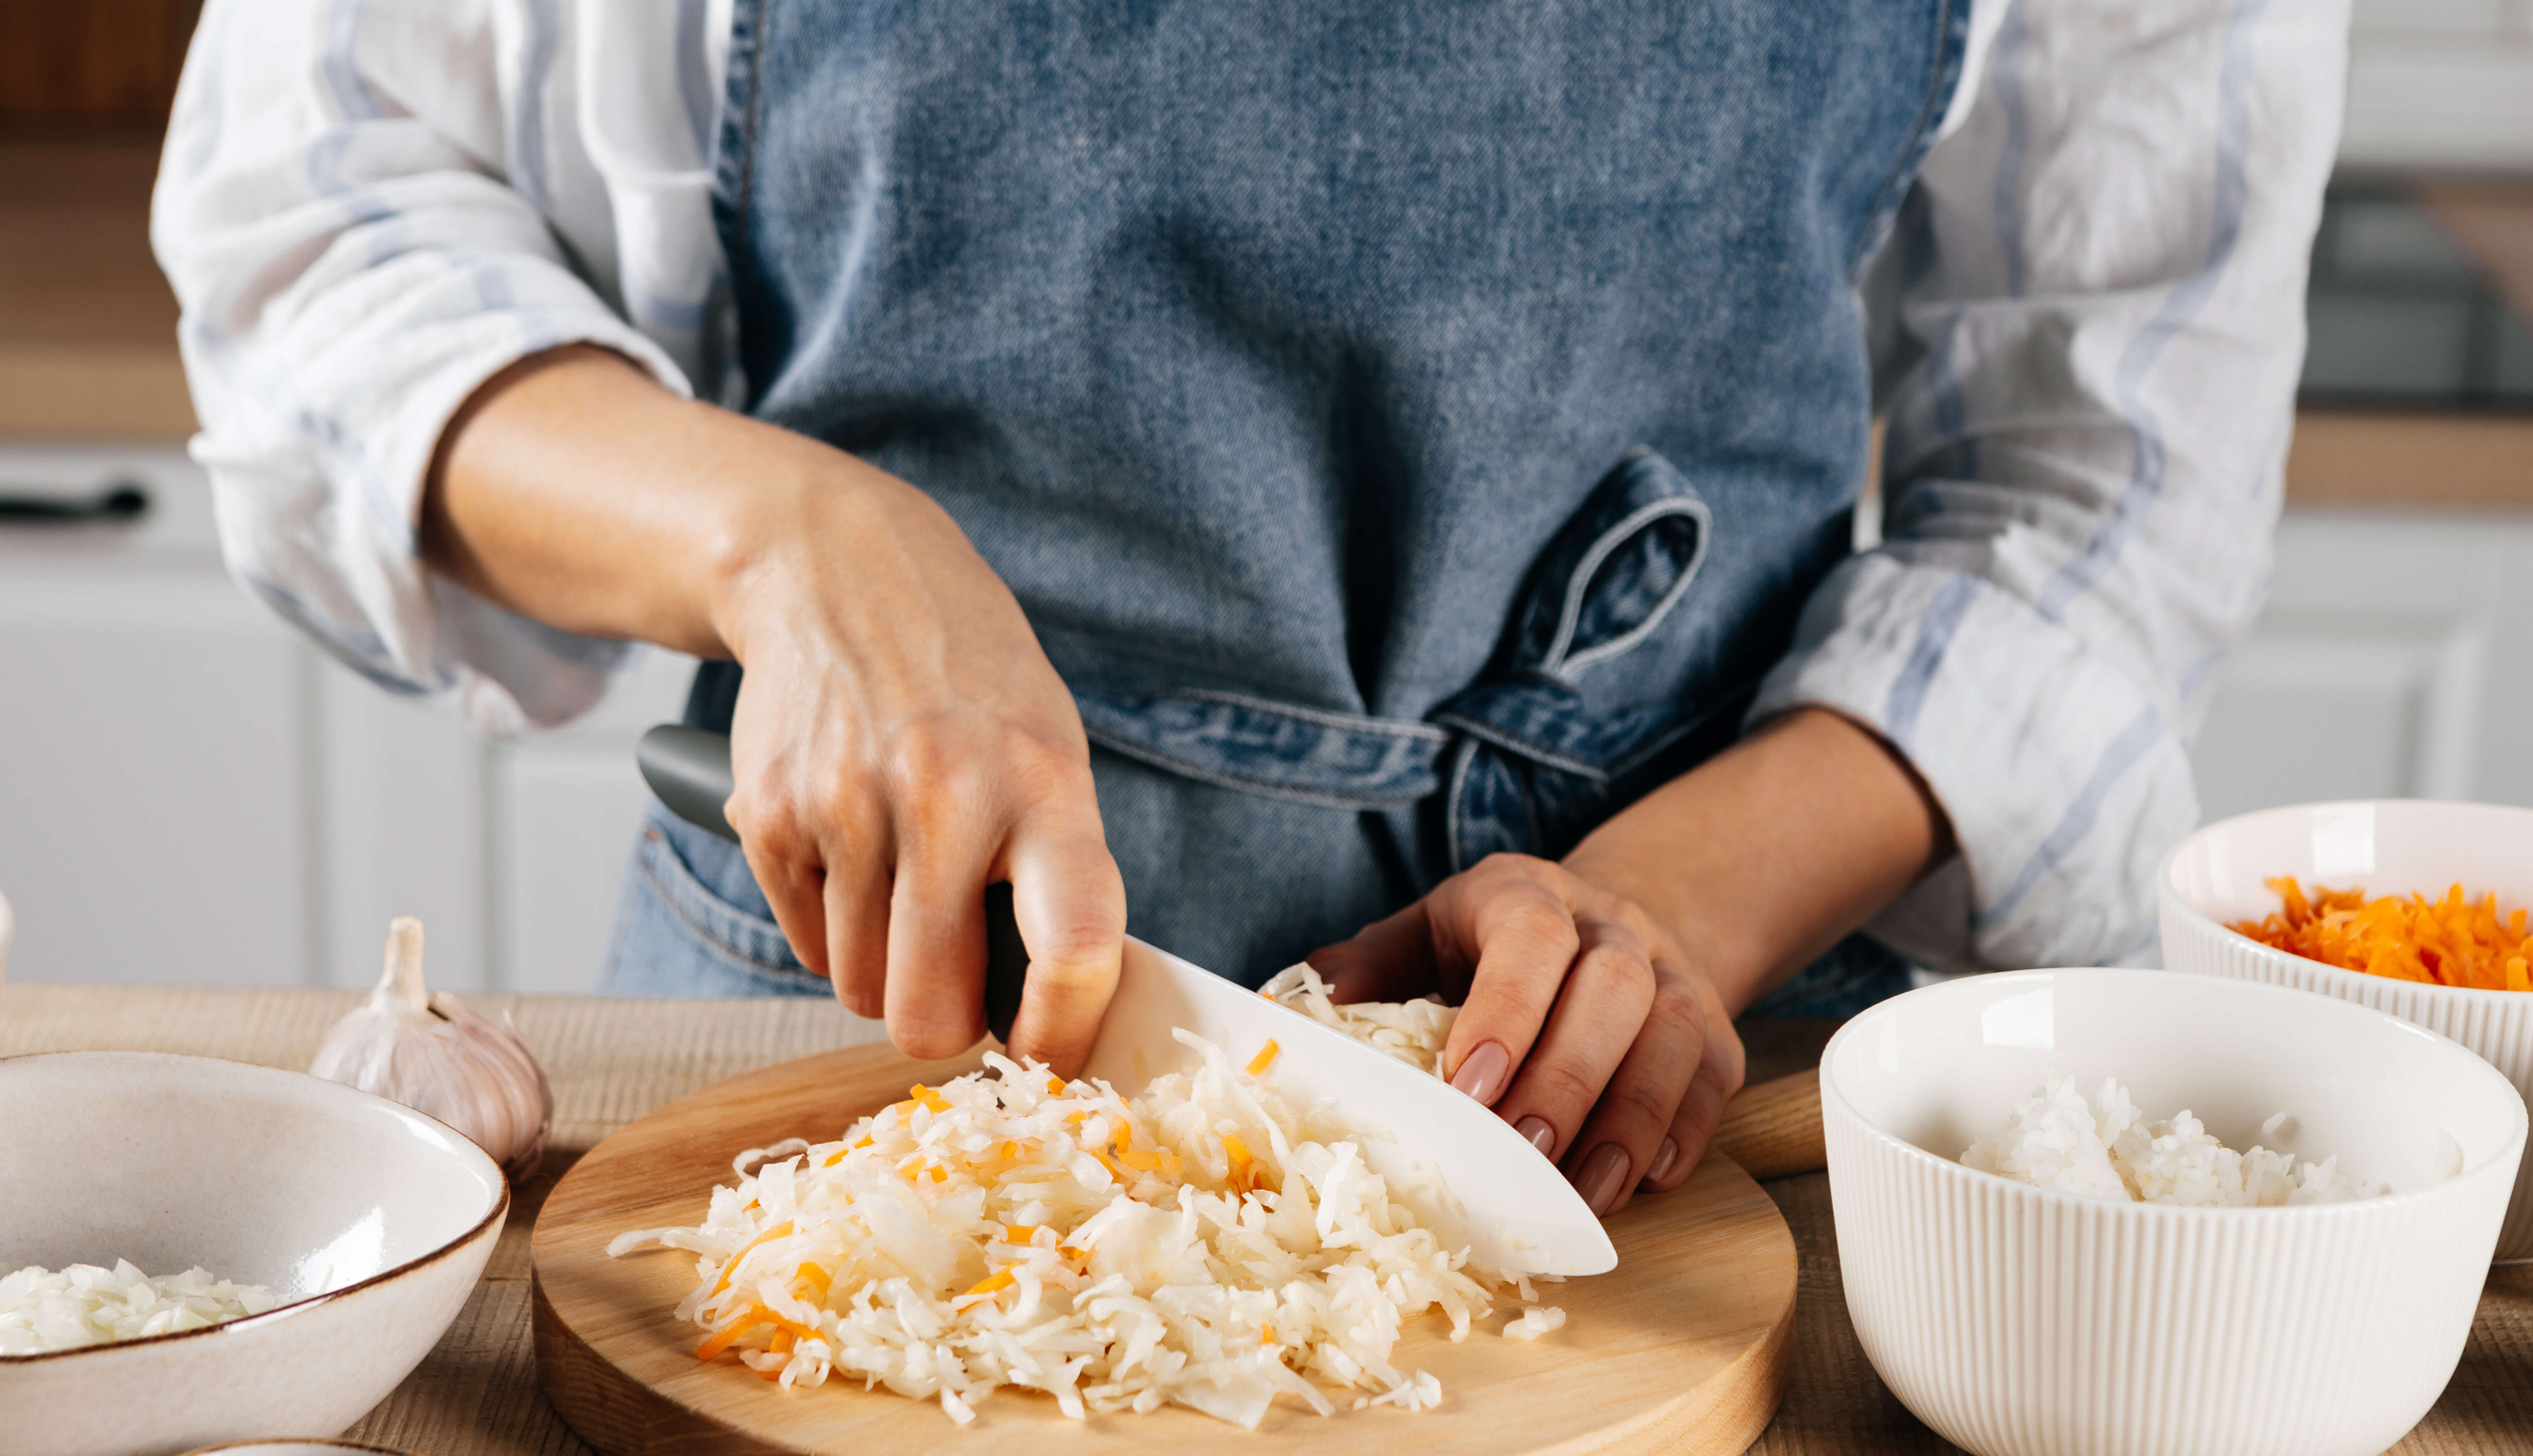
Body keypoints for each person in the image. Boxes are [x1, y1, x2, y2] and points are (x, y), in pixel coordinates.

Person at [152, 0, 2345, 1217]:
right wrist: (795, 545)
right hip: (848, 1065)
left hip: (1655, 1111)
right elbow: (321, 233)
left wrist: (1673, 907)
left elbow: (2094, 488)